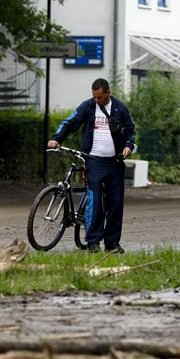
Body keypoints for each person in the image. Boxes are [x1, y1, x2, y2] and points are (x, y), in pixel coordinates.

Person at [47, 78, 135, 253]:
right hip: (93, 161)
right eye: (94, 97)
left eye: (100, 97)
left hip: (115, 163)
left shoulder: (120, 109)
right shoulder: (87, 106)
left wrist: (128, 146)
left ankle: (112, 244)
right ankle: (93, 241)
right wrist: (56, 139)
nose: (97, 100)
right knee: (94, 201)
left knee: (115, 204)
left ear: (108, 93)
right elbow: (69, 122)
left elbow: (131, 131)